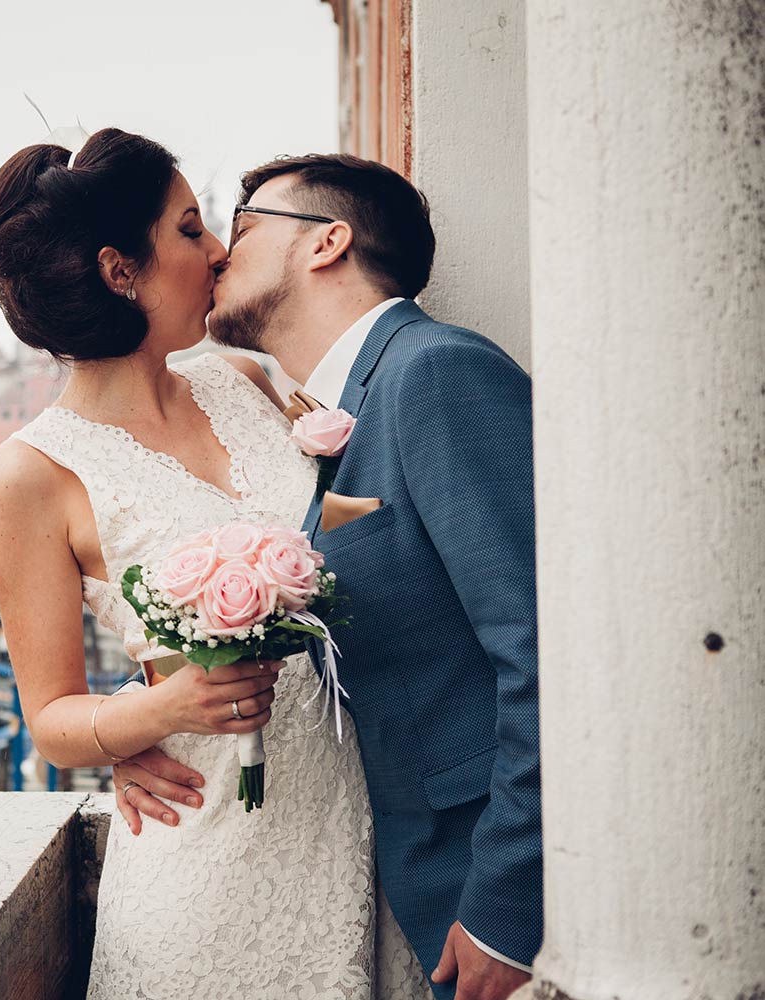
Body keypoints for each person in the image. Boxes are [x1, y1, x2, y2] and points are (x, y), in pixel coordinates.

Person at [0, 129, 427, 999]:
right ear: (120, 271)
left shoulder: (246, 381)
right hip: (209, 853)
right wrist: (155, 711)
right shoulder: (32, 475)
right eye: (189, 230)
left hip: (368, 823)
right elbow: (51, 717)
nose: (218, 250)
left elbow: (364, 526)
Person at [117, 153, 541, 1000]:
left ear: (327, 243)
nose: (220, 256)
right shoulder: (344, 404)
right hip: (398, 876)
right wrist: (148, 720)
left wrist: (510, 909)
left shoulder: (435, 373)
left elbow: (549, 652)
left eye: (240, 230)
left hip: (487, 887)